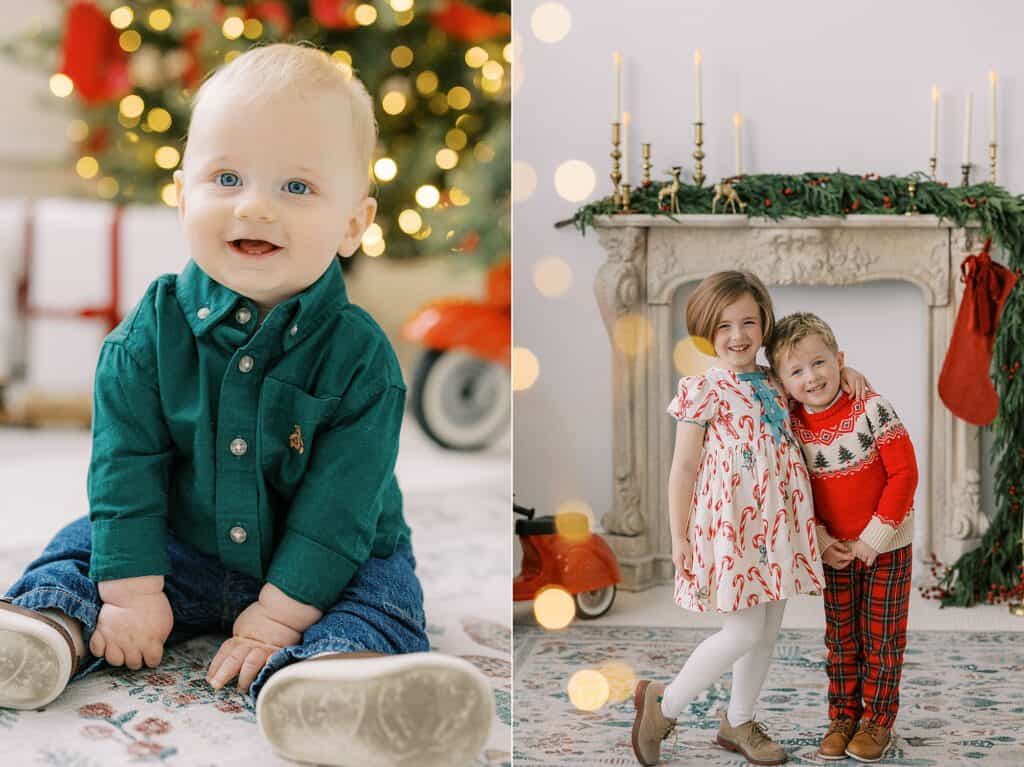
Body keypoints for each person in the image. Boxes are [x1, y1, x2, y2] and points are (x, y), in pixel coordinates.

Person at [0, 43, 492, 767]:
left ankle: (336, 682)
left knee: (382, 594)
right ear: (183, 194)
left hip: (328, 556)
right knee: (85, 546)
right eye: (226, 177)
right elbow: (126, 469)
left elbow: (339, 506)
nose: (254, 204)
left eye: (297, 187)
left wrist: (280, 614)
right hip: (180, 542)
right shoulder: (146, 336)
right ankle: (40, 629)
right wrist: (132, 592)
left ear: (354, 223)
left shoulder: (364, 361)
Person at [631, 270, 867, 766]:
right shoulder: (704, 388)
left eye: (747, 322)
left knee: (768, 629)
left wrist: (852, 376)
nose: (737, 336)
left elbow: (820, 387)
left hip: (778, 527)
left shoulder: (779, 379)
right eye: (723, 327)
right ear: (704, 332)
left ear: (763, 322)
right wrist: (679, 537)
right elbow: (683, 467)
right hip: (733, 529)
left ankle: (738, 719)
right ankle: (663, 704)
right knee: (742, 632)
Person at [768, 312, 917, 764]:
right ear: (781, 382)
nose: (811, 377)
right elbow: (796, 489)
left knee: (882, 636)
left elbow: (904, 474)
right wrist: (819, 539)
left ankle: (878, 720)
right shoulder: (791, 425)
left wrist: (875, 536)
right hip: (834, 553)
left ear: (840, 361)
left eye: (820, 363)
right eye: (796, 371)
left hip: (885, 546)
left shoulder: (872, 408)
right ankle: (843, 716)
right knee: (842, 639)